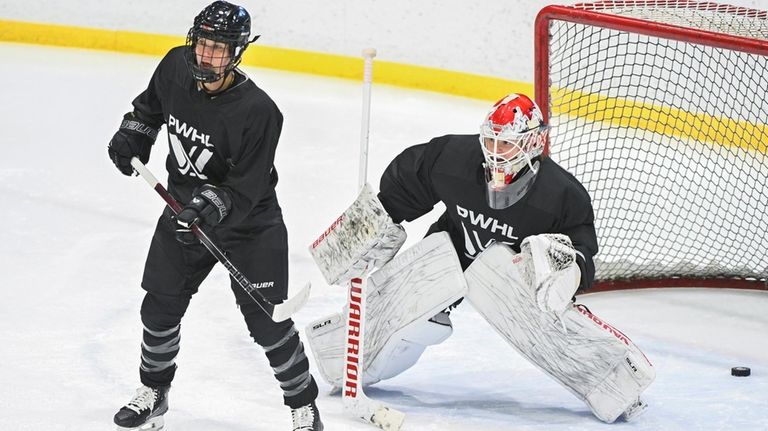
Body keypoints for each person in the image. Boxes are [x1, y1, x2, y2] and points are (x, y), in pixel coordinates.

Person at [306, 93, 654, 423]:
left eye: (506, 143)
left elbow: (580, 245)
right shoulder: (452, 158)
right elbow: (406, 185)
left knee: (543, 320)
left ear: (533, 143)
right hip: (449, 254)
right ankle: (338, 358)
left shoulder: (561, 195)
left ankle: (616, 381)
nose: (495, 151)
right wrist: (367, 228)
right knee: (403, 303)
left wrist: (569, 272)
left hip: (510, 275)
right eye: (491, 140)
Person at [106, 2, 322, 430]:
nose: (207, 56)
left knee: (267, 323)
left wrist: (209, 206)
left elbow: (246, 186)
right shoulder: (174, 67)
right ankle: (155, 392)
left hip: (249, 225)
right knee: (159, 307)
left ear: (237, 52)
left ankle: (304, 406)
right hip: (183, 212)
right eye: (203, 44)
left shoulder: (260, 112)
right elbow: (148, 111)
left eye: (219, 49)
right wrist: (132, 135)